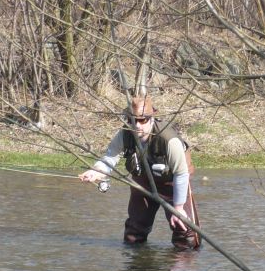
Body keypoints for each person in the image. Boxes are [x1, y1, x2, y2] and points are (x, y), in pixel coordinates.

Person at [79, 96, 200, 250]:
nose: (137, 125)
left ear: (151, 119)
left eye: (142, 120)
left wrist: (178, 208)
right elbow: (109, 158)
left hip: (173, 182)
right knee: (134, 232)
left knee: (185, 231)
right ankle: (137, 262)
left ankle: (182, 263)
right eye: (132, 120)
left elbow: (181, 174)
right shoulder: (125, 134)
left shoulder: (169, 139)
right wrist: (96, 172)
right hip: (143, 182)